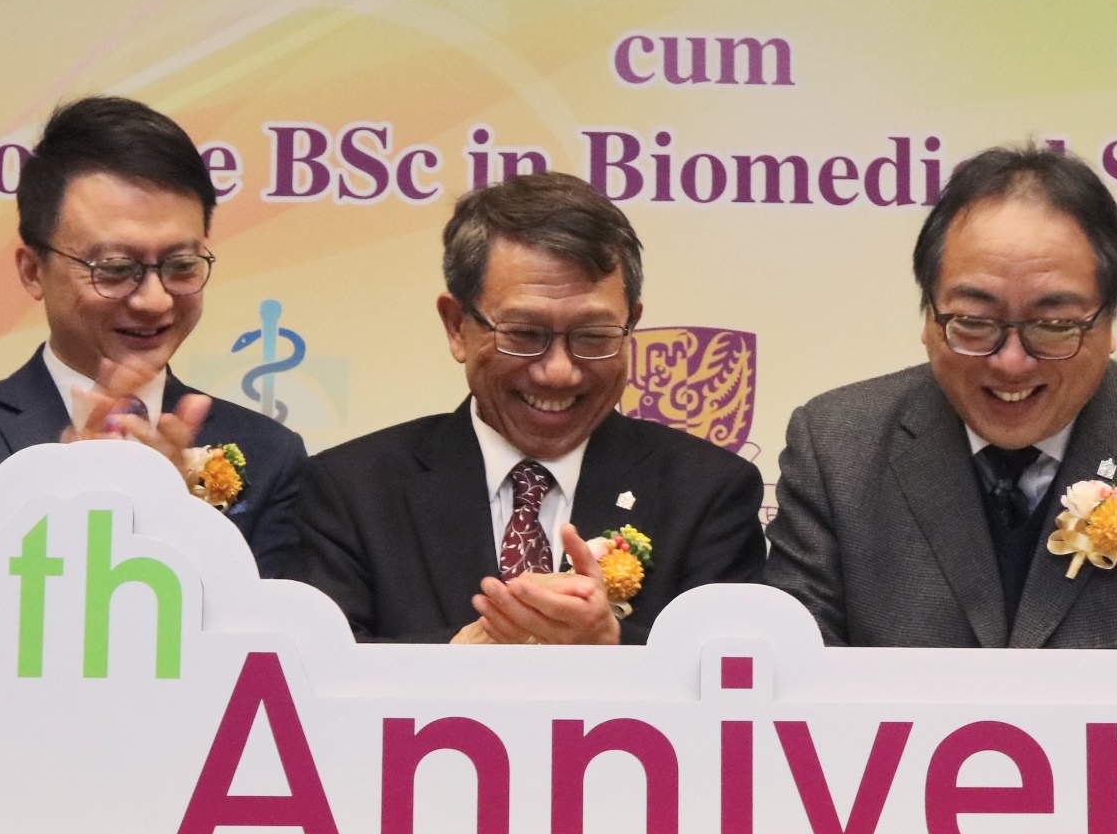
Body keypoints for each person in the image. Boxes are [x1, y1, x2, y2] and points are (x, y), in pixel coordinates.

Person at [765, 142, 1117, 649]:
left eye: (1054, 324)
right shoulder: (837, 449)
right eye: (974, 322)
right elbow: (795, 695)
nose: (1011, 362)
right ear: (928, 319)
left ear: (1109, 326)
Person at [295, 173, 765, 644]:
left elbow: (733, 681)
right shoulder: (352, 491)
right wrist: (448, 670)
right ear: (457, 326)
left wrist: (612, 648)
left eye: (593, 336)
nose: (559, 372)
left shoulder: (708, 493)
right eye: (524, 334)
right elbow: (310, 683)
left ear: (631, 326)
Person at [0, 95, 305, 575]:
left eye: (181, 266)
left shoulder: (269, 455)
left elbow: (267, 640)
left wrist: (177, 519)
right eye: (115, 269)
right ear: (33, 271)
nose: (155, 300)